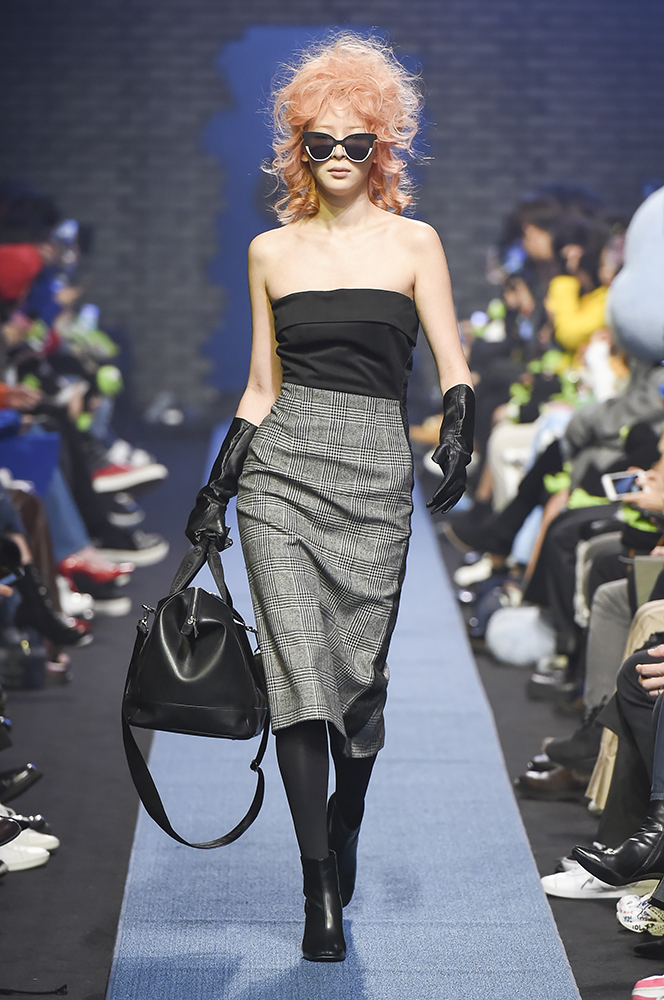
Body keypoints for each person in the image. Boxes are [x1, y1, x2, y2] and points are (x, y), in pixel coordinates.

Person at [185, 32, 474, 963]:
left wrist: (459, 426)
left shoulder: (415, 243)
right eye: (323, 141)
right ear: (298, 148)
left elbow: (453, 363)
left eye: (358, 140)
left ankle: (344, 826)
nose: (340, 155)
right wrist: (220, 484)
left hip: (377, 471)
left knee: (356, 686)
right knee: (299, 681)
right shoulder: (270, 252)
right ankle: (317, 885)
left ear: (382, 145)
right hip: (281, 471)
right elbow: (259, 385)